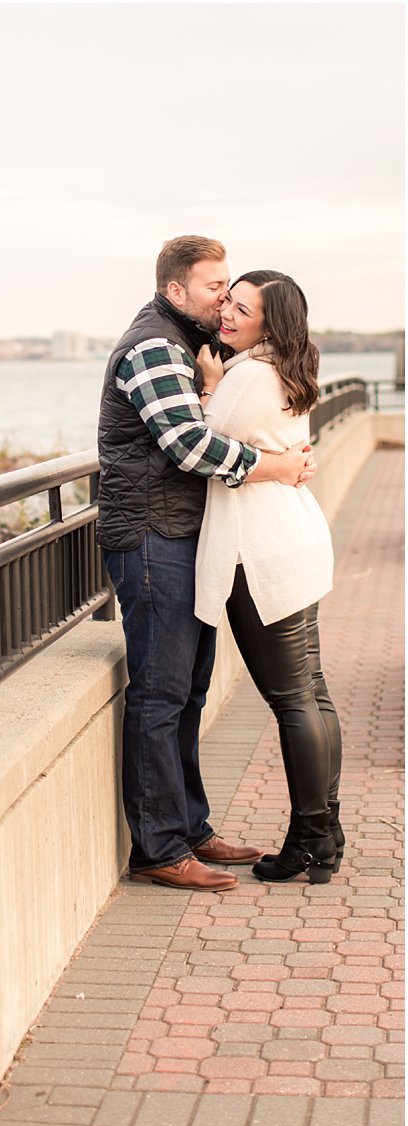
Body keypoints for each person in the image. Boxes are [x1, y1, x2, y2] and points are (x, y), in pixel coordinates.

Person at [97, 235, 315, 893]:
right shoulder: (152, 349)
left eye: (228, 285)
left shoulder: (192, 344)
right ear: (175, 291)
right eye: (215, 285)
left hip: (185, 535)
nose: (224, 296)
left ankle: (191, 828)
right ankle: (158, 848)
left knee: (188, 687)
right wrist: (274, 467)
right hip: (151, 537)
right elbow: (189, 445)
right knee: (161, 695)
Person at [194, 270, 341, 883]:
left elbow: (199, 446)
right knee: (312, 693)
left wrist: (208, 386)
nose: (227, 312)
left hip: (257, 553)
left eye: (242, 308)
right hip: (294, 540)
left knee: (291, 700)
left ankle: (311, 835)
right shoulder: (291, 367)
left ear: (268, 323)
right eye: (228, 299)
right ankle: (325, 829)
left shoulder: (251, 375)